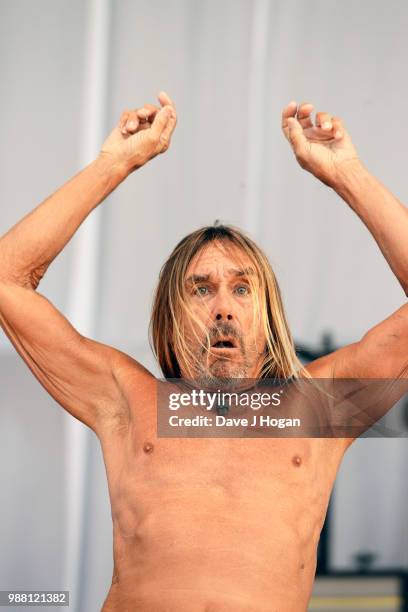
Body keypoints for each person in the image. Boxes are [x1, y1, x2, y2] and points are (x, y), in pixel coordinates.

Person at [0, 90, 407, 611]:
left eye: (242, 289)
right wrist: (115, 162)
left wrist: (347, 174)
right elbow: (11, 280)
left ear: (268, 314)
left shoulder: (320, 406)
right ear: (171, 317)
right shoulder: (128, 400)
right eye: (199, 289)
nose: (222, 308)